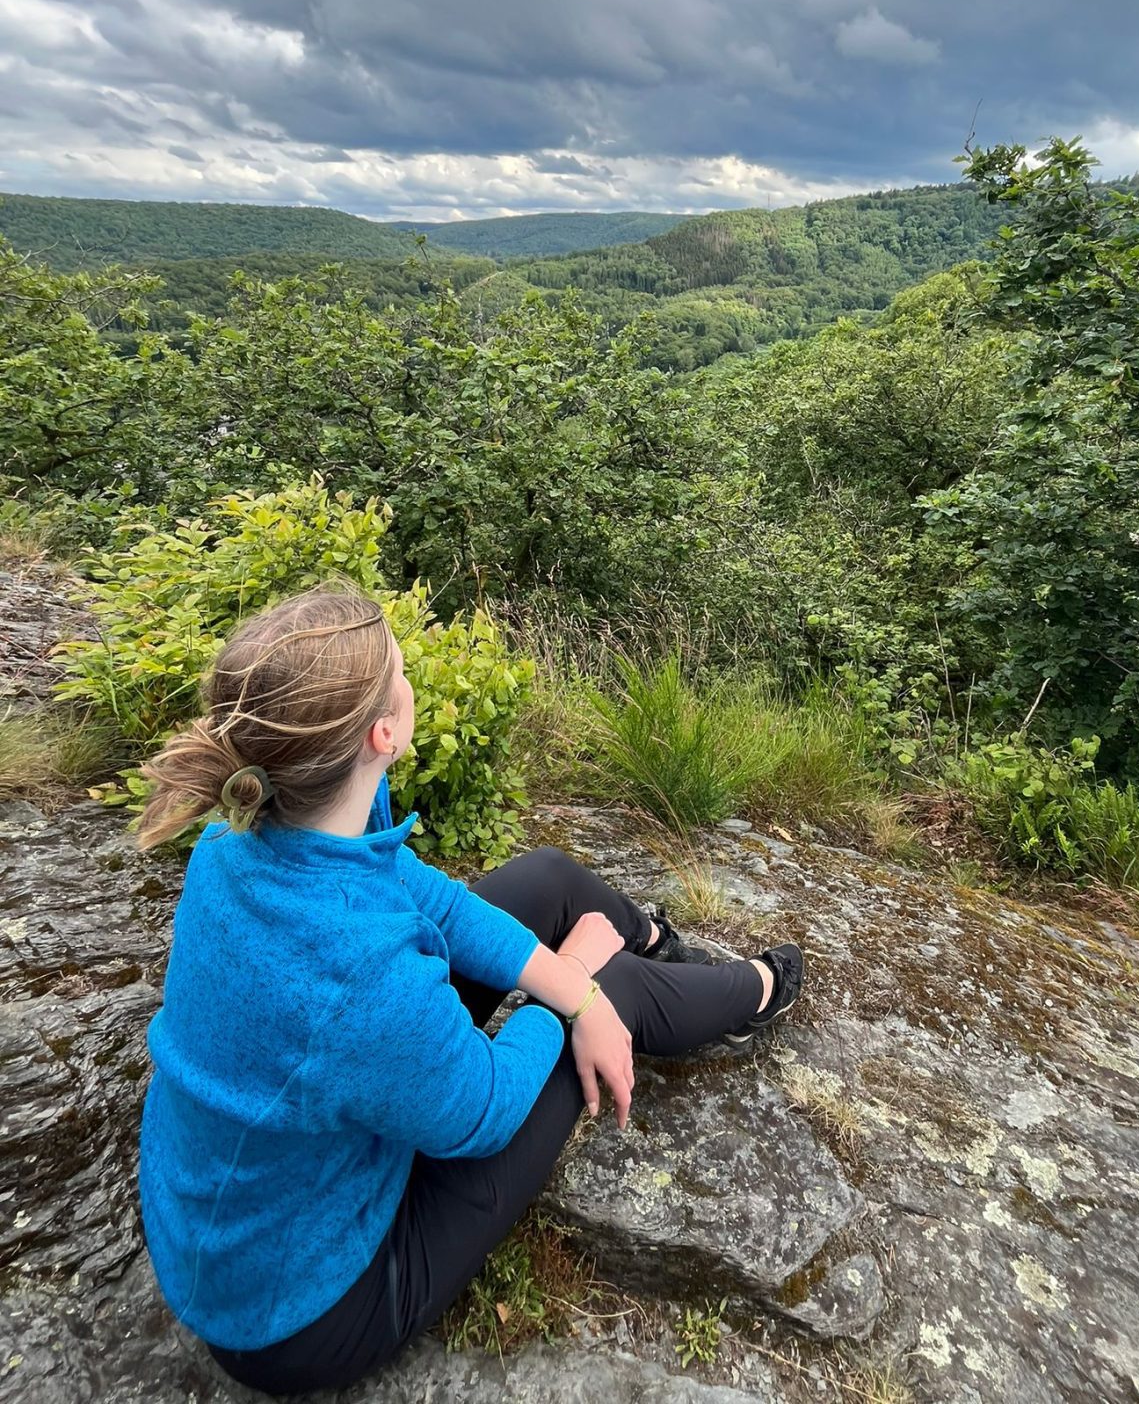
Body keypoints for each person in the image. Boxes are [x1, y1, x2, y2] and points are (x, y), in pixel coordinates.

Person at [135, 583, 804, 1394]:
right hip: (296, 1315)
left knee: (549, 880)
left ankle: (650, 938)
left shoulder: (238, 837)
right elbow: (485, 1109)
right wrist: (583, 987)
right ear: (386, 730)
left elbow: (417, 892)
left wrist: (560, 968)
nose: (407, 675)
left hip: (240, 1221)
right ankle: (756, 989)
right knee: (612, 987)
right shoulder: (358, 978)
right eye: (399, 668)